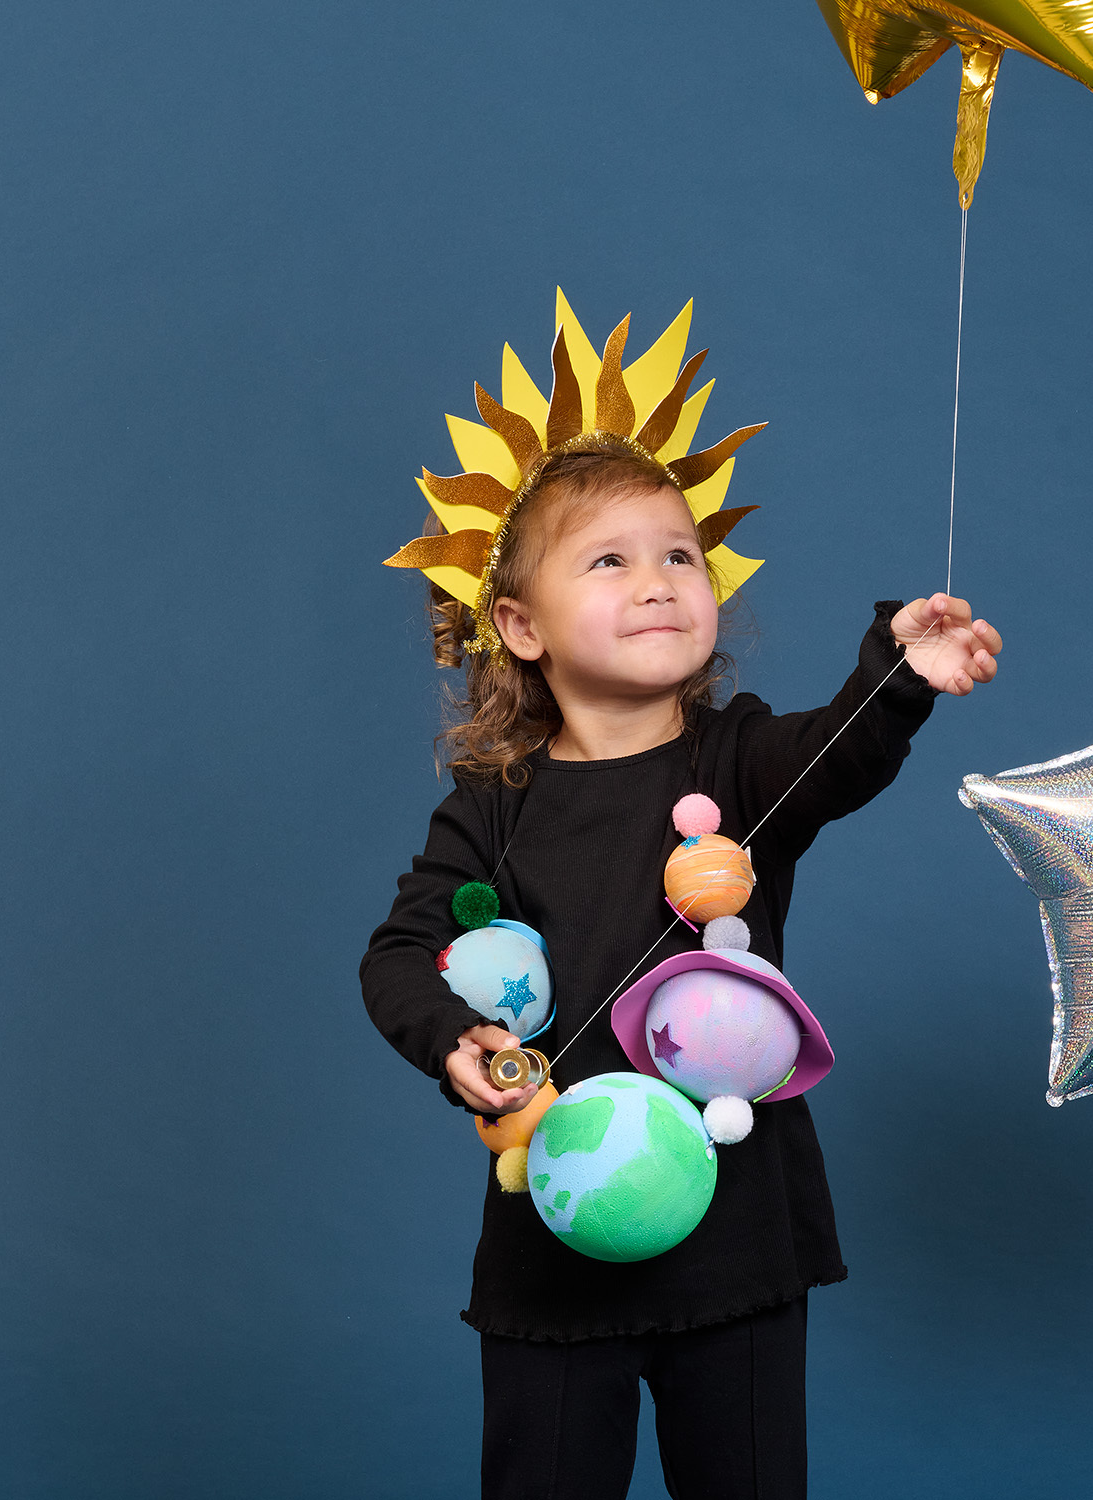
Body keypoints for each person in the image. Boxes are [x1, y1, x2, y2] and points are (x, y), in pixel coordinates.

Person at [361, 296, 1001, 1500]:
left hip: (738, 1242)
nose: (657, 582)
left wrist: (900, 676)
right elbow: (398, 957)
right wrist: (461, 1043)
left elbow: (841, 754)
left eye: (678, 556)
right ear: (518, 624)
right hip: (556, 1242)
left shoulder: (740, 763)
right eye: (609, 559)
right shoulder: (491, 804)